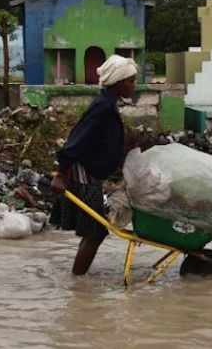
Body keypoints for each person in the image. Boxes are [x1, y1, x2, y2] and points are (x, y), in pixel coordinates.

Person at [50, 54, 138, 275]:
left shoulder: (108, 103)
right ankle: (78, 287)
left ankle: (78, 280)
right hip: (83, 174)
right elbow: (77, 139)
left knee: (94, 232)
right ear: (118, 82)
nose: (133, 86)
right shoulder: (102, 106)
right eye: (131, 81)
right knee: (96, 232)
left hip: (92, 173)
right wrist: (60, 174)